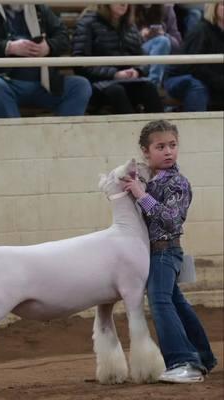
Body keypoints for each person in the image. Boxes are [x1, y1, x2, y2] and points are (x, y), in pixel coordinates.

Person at [123, 119, 217, 383]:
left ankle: (184, 362)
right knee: (176, 302)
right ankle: (202, 356)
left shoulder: (176, 183)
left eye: (172, 145)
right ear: (146, 151)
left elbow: (171, 220)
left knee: (160, 301)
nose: (168, 151)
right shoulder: (152, 180)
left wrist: (141, 195)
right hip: (155, 254)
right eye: (160, 146)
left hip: (165, 253)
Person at [0, 4, 92, 118]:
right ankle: (18, 140)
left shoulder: (39, 8)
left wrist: (48, 47)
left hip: (45, 83)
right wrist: (8, 47)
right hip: (4, 81)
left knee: (80, 86)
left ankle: (61, 139)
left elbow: (63, 37)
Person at [72, 3, 163, 114]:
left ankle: (161, 129)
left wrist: (137, 71)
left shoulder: (130, 25)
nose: (123, 3)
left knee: (149, 88)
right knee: (116, 91)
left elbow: (143, 59)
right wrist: (114, 74)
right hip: (97, 82)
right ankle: (131, 130)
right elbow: (80, 63)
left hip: (127, 80)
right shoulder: (87, 23)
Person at [163, 2, 224, 112]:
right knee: (197, 86)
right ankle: (197, 126)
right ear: (213, 7)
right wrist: (219, 82)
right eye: (223, 4)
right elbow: (193, 67)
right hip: (180, 76)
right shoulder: (201, 30)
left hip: (211, 79)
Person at [134, 4, 181, 86]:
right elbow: (125, 43)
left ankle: (152, 84)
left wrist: (164, 35)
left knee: (162, 41)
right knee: (162, 42)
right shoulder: (130, 7)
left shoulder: (167, 8)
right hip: (137, 51)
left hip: (162, 58)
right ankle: (153, 85)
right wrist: (140, 36)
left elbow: (177, 46)